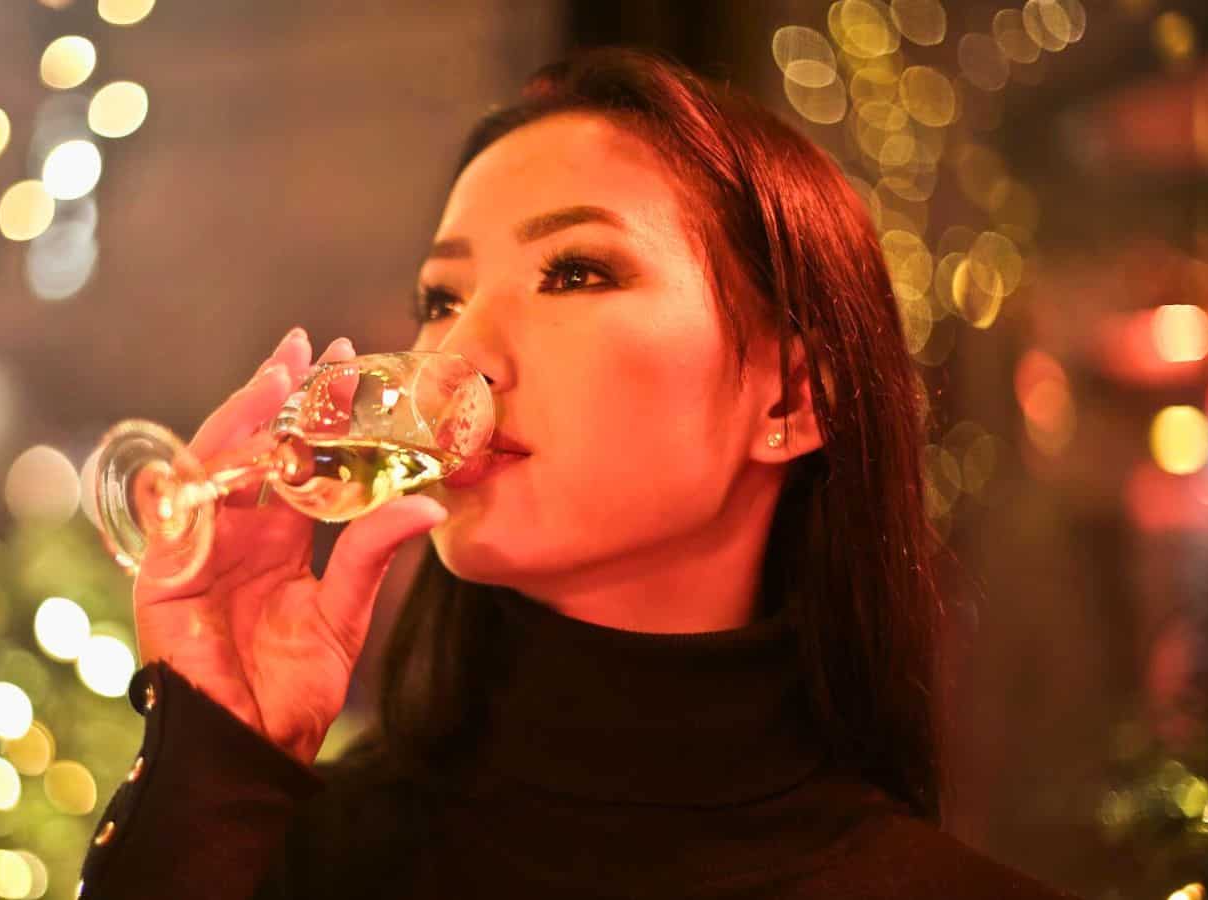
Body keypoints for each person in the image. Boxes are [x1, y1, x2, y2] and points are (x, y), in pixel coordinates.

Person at [76, 48, 1083, 899]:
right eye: (440, 296)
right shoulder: (300, 856)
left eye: (573, 272)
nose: (456, 359)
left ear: (791, 402)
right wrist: (209, 769)